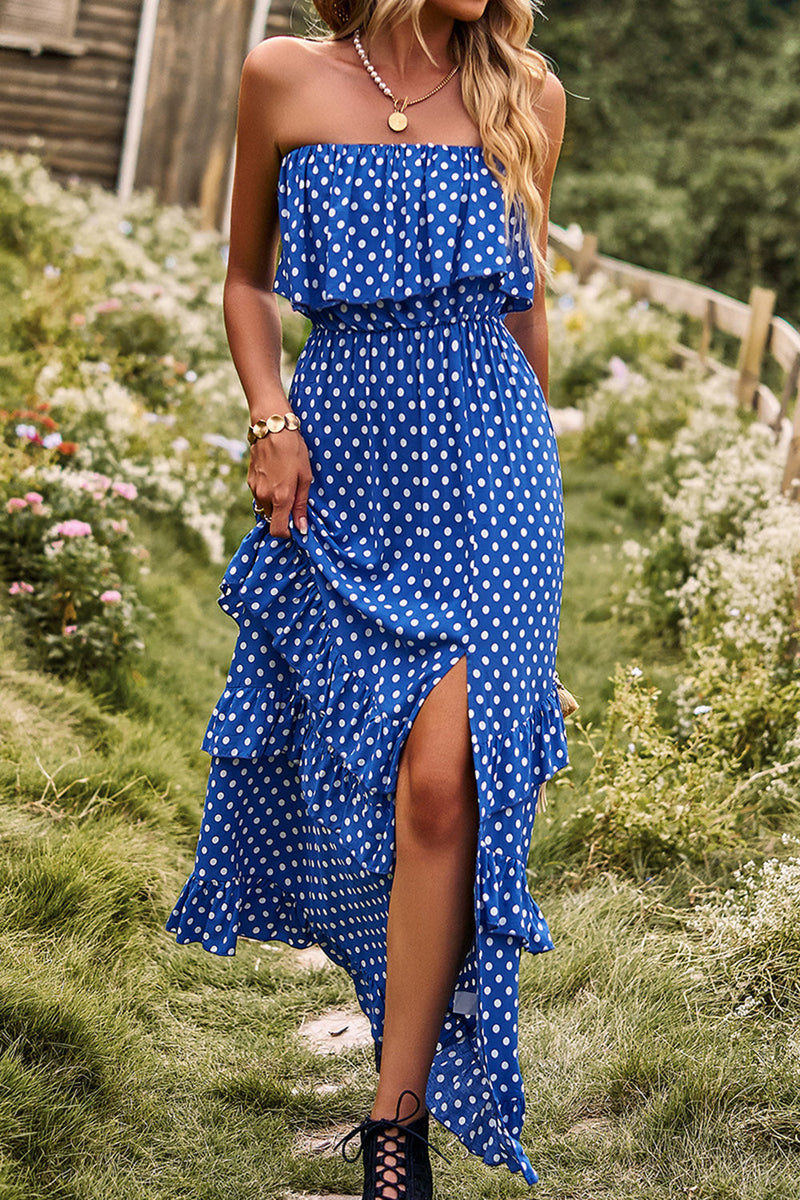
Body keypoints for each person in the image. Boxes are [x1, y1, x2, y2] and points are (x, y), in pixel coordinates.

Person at [165, 1, 568, 1196]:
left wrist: (526, 479)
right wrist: (269, 420)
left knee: (445, 784)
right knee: (362, 768)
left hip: (489, 467)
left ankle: (396, 1133)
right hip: (340, 454)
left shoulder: (525, 96)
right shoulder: (282, 77)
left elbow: (521, 308)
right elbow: (246, 283)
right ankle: (386, 1030)